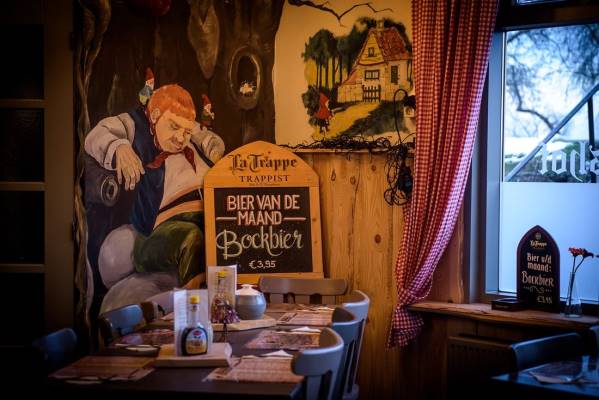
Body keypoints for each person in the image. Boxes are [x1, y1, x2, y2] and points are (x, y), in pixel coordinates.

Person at [85, 84, 224, 288]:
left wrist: (212, 148)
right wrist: (119, 147)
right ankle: (196, 301)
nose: (180, 138)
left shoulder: (190, 136)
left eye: (186, 131)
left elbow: (210, 141)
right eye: (173, 127)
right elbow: (97, 135)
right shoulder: (134, 124)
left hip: (206, 214)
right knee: (191, 237)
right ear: (156, 115)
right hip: (160, 228)